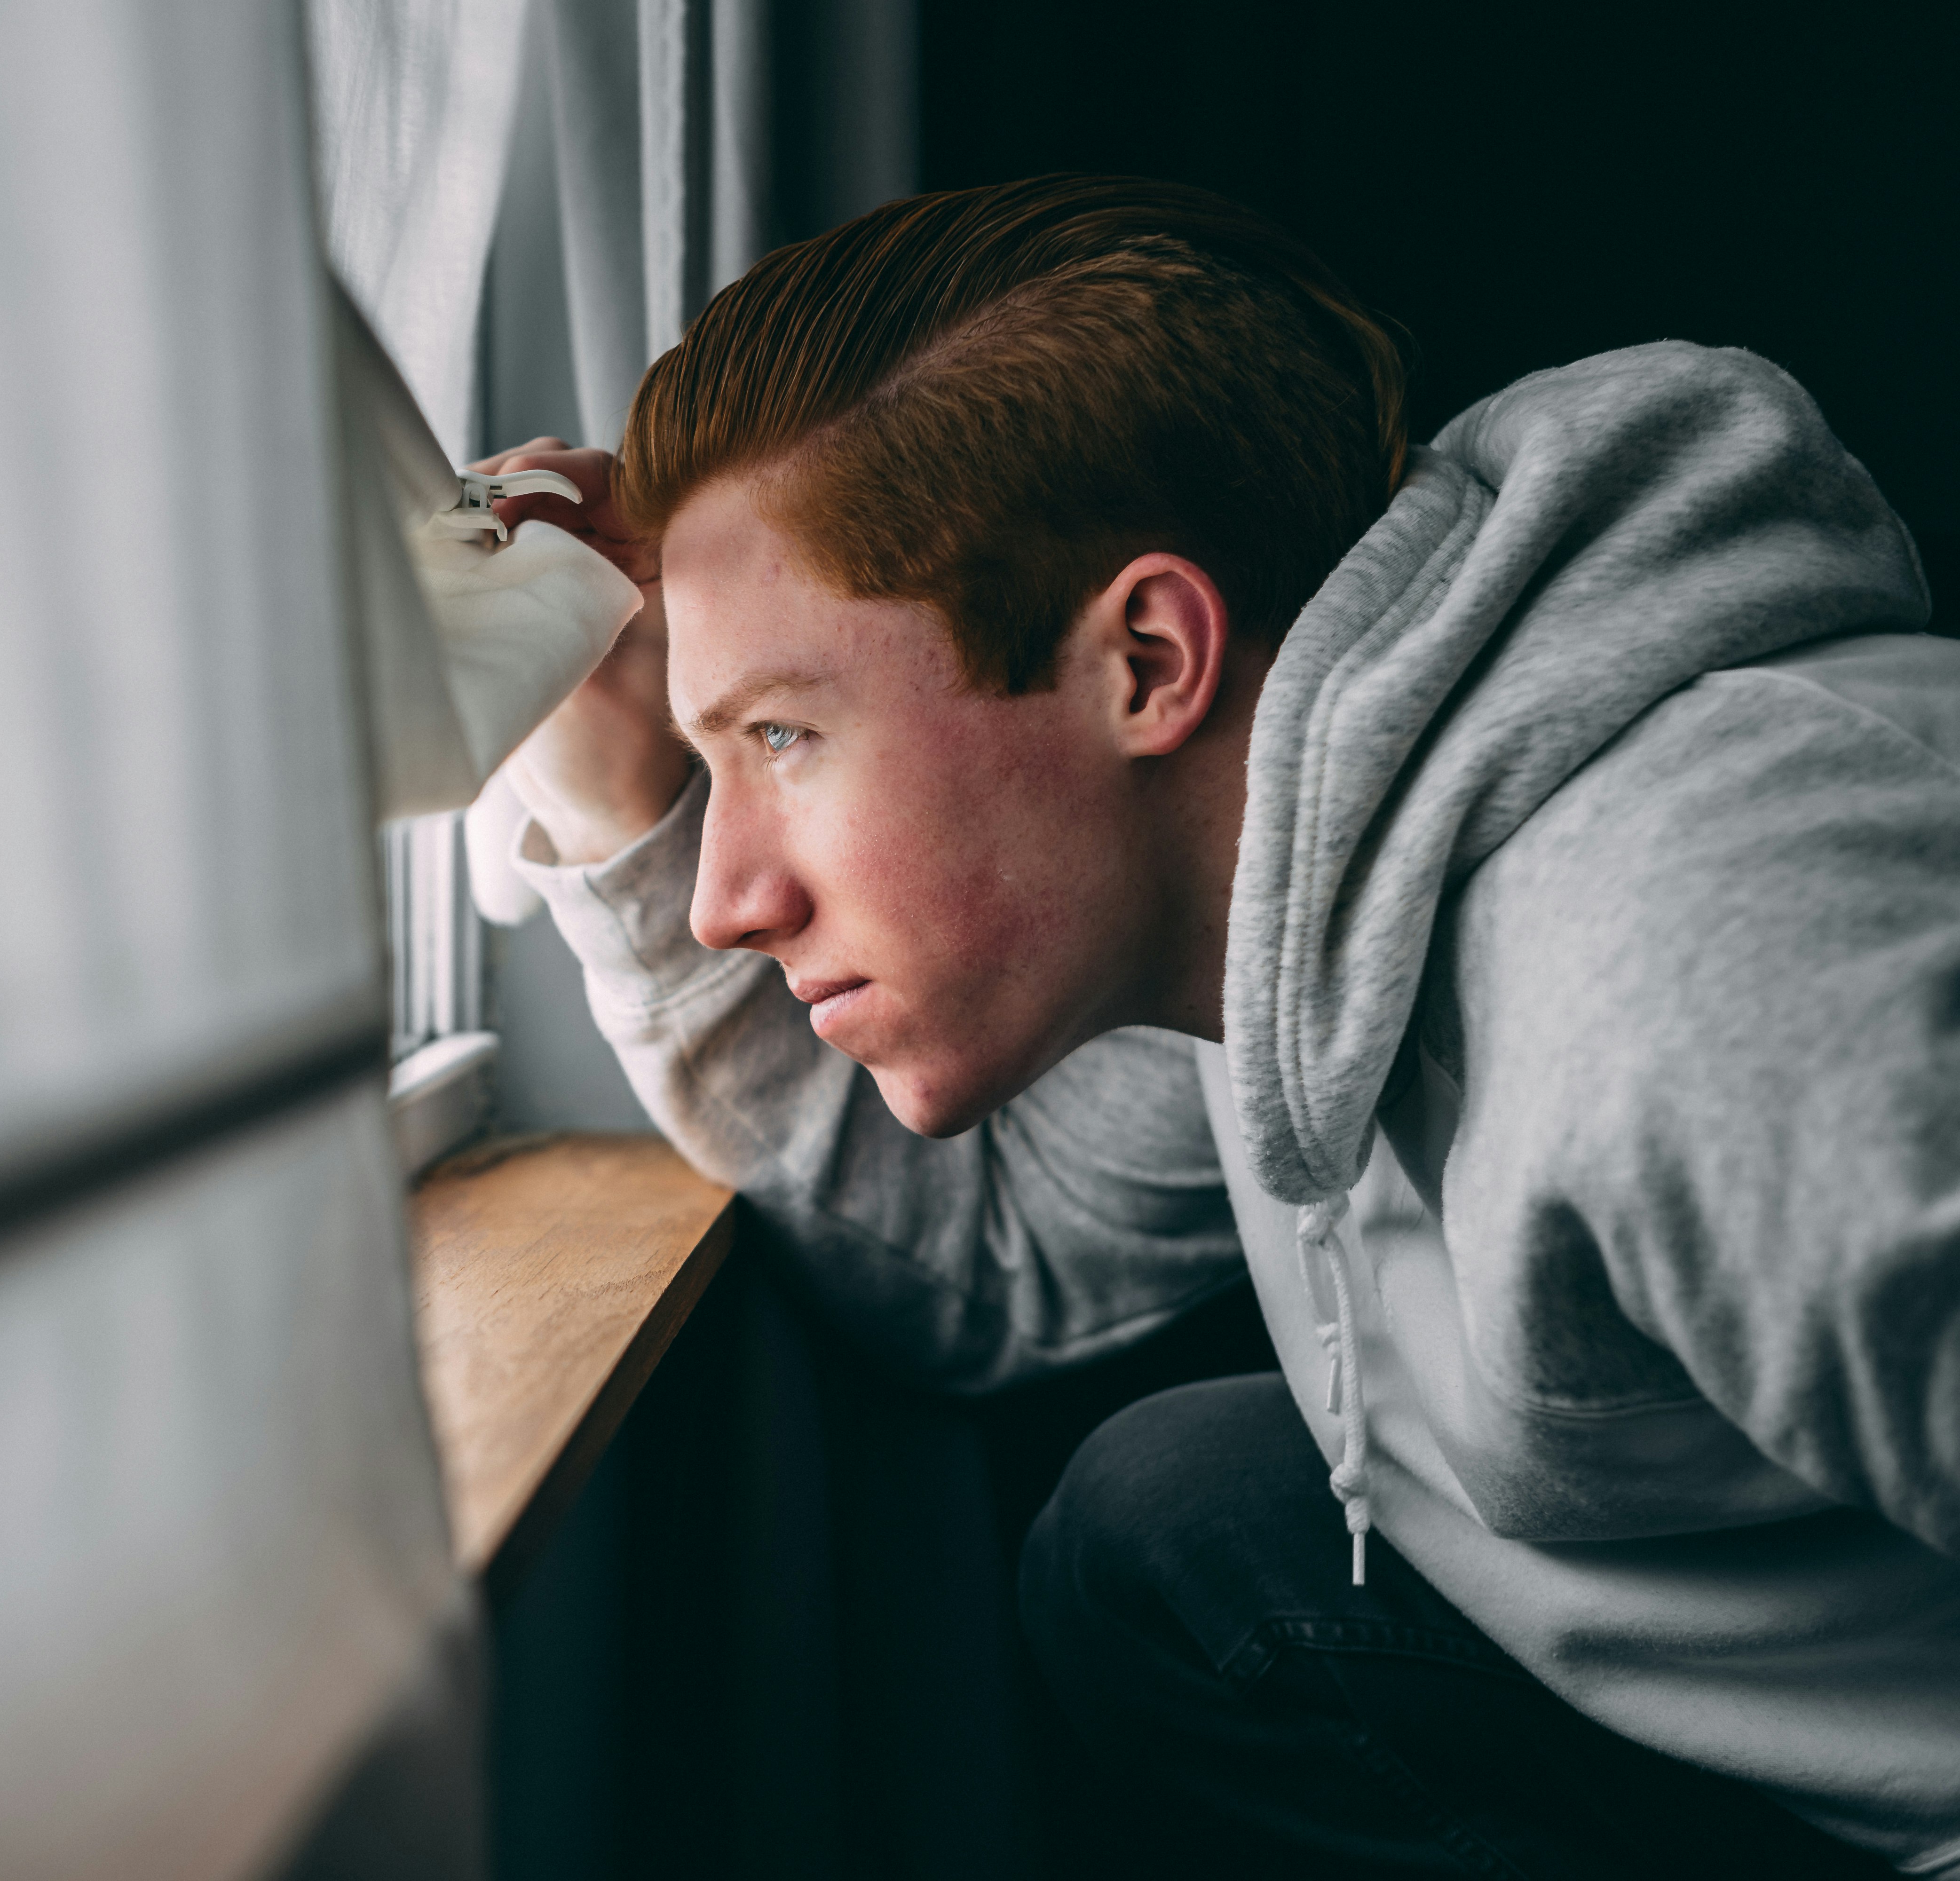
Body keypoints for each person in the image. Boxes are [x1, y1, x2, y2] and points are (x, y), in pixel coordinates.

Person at [477, 176, 1956, 1878]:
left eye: (788, 739)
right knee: (1174, 1526)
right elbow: (1006, 1257)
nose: (730, 894)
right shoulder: (1297, 880)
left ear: (1150, 660)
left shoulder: (1703, 975)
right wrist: (616, 816)